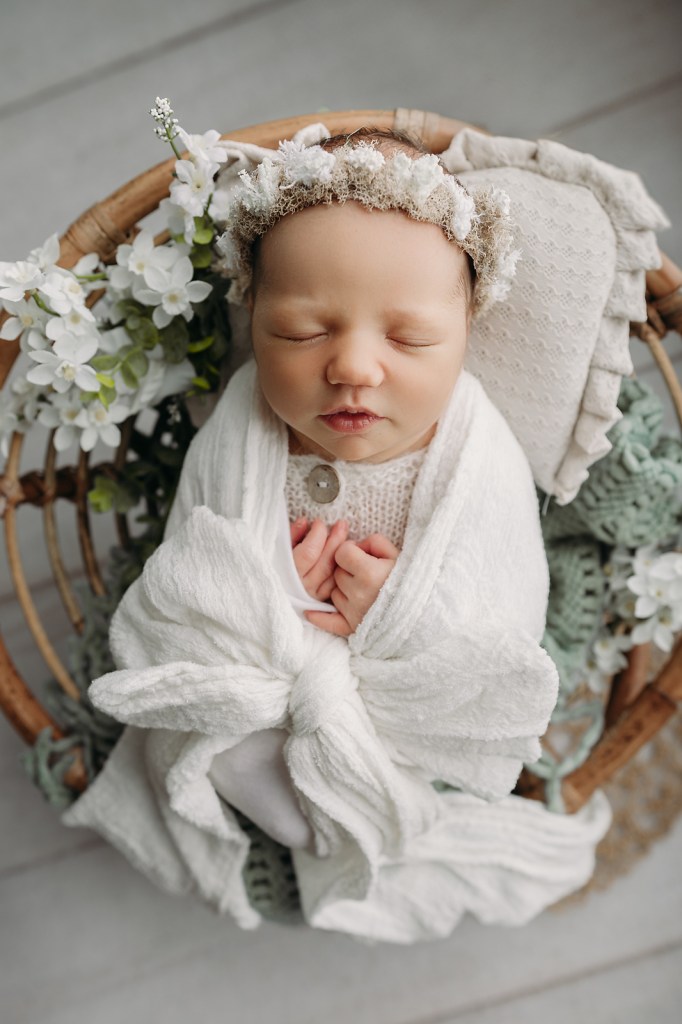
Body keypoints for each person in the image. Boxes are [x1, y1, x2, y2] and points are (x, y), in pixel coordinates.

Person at [86, 129, 609, 942]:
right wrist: (267, 592)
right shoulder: (243, 422)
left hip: (407, 701)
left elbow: (508, 602)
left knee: (457, 727)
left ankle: (376, 800)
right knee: (218, 729)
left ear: (468, 327)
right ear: (253, 320)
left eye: (409, 339)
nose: (354, 367)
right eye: (300, 333)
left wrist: (403, 611)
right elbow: (189, 567)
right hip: (271, 683)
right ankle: (314, 804)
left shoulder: (473, 449)